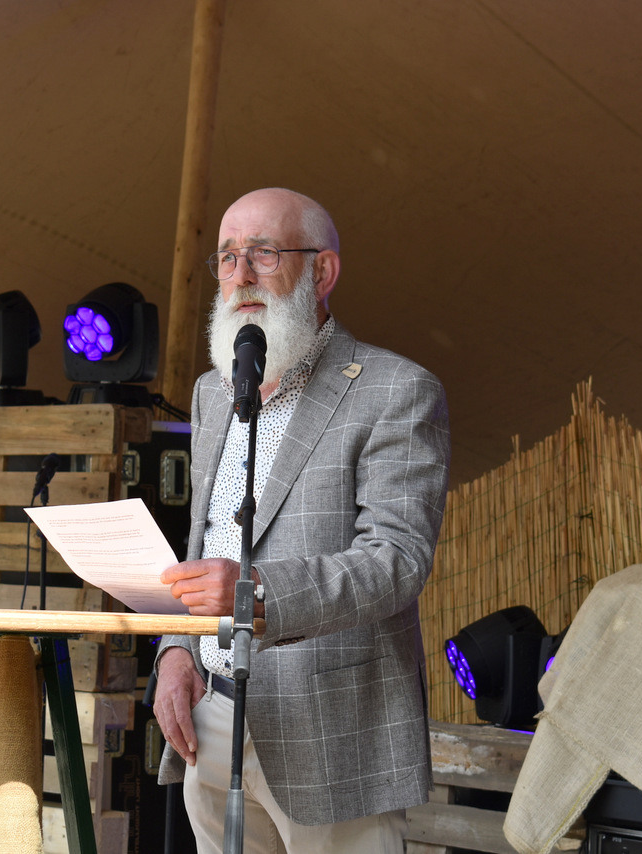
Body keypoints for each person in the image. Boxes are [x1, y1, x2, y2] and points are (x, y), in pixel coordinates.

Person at [152, 187, 451, 853]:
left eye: (264, 253)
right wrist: (175, 651)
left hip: (332, 732)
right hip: (213, 716)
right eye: (227, 256)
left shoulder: (396, 390)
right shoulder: (211, 393)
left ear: (322, 271)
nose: (240, 275)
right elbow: (207, 539)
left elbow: (397, 561)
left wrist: (258, 595)